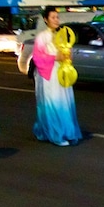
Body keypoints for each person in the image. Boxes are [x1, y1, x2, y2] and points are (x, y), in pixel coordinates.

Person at [31, 10, 82, 146]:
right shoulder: (42, 37)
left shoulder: (62, 35)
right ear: (46, 19)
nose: (56, 20)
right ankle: (56, 135)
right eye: (52, 17)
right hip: (49, 73)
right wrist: (55, 57)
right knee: (52, 103)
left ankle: (66, 131)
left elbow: (67, 52)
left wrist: (67, 56)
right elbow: (37, 57)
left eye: (57, 17)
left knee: (65, 103)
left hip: (62, 72)